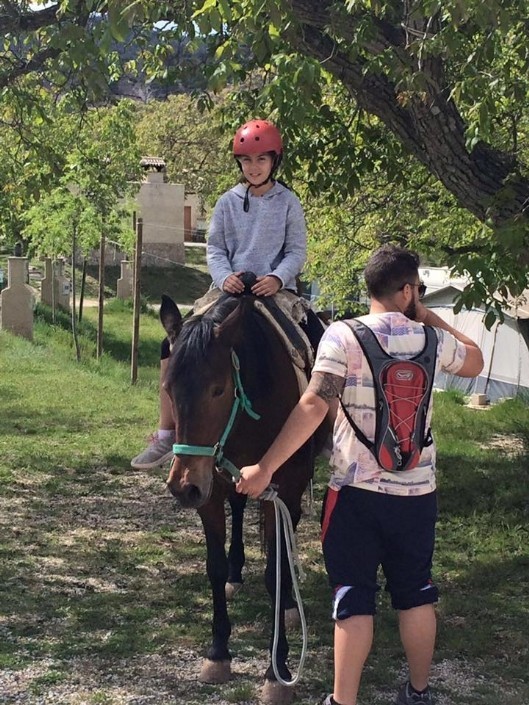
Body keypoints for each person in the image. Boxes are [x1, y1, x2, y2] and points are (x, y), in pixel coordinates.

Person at [235, 244, 484, 705]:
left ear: (368, 287)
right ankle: (419, 691)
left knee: (352, 598)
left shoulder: (341, 336)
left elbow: (313, 405)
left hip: (354, 493)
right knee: (416, 593)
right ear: (408, 290)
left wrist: (265, 466)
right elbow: (475, 359)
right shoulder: (432, 340)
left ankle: (342, 700)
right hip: (417, 493)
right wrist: (428, 316)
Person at [131, 118, 313, 469]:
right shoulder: (227, 202)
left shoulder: (288, 202)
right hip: (227, 288)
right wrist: (224, 276)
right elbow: (214, 248)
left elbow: (296, 250)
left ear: (275, 160)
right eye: (246, 160)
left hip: (274, 291)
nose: (254, 167)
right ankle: (167, 432)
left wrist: (277, 277)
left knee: (310, 341)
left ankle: (320, 429)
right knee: (174, 343)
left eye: (261, 159)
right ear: (239, 164)